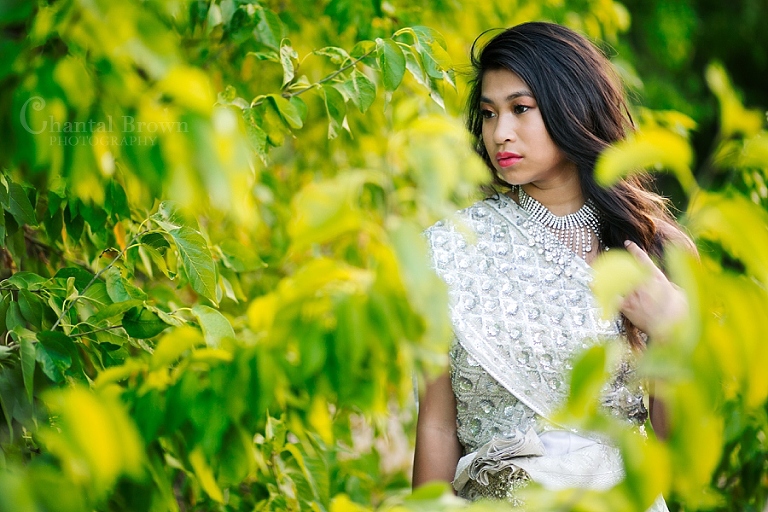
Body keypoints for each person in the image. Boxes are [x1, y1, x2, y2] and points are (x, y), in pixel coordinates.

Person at [412, 22, 692, 508]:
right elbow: (437, 425)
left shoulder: (655, 250)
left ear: (572, 105)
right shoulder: (452, 248)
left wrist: (671, 331)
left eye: (521, 109)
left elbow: (681, 456)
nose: (500, 133)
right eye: (489, 114)